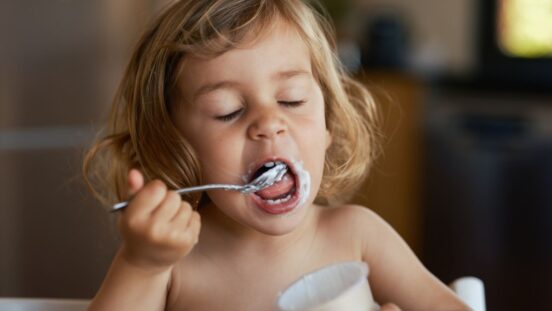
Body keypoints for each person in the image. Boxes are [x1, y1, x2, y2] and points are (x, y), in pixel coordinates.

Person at [83, 0, 470, 310]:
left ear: (327, 125)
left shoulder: (357, 236)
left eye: (292, 99)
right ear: (174, 145)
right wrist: (143, 263)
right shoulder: (174, 261)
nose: (269, 123)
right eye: (227, 110)